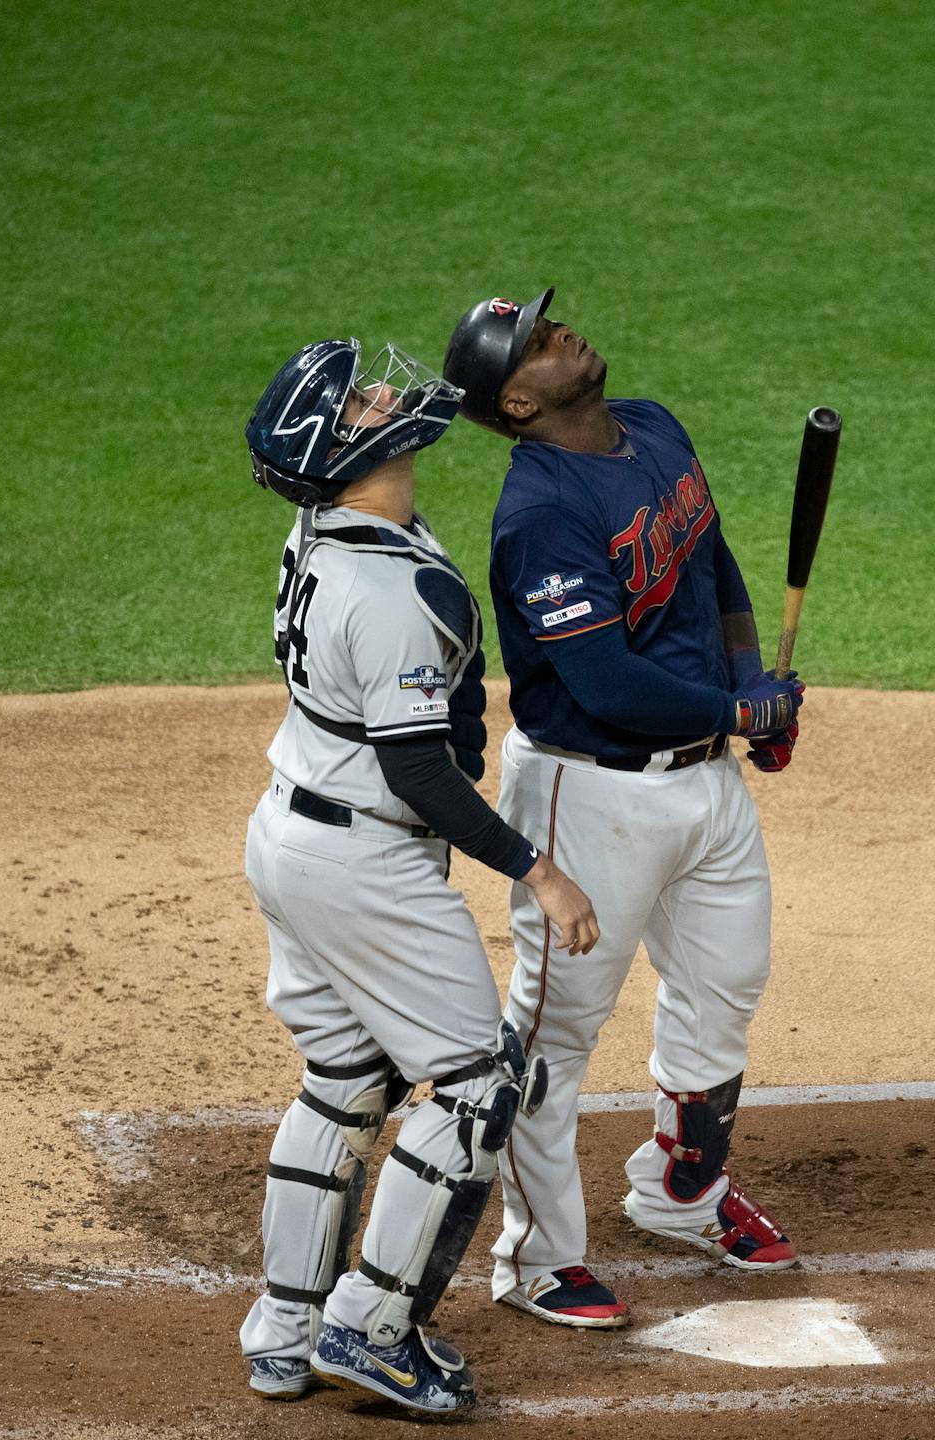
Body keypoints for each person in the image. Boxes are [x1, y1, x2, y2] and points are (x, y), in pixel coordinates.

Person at [236, 336, 600, 1412]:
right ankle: (372, 1326)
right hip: (364, 858)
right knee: (480, 1086)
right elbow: (417, 770)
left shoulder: (334, 524)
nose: (387, 393)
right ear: (344, 454)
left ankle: (285, 1327)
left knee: (347, 1079)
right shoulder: (385, 588)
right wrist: (537, 872)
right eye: (360, 403)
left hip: (294, 833)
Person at [441, 289, 807, 1330]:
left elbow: (712, 562)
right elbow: (601, 679)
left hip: (706, 783)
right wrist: (740, 706)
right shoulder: (540, 513)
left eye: (550, 323)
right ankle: (538, 1259)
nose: (563, 334)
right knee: (555, 1032)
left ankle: (681, 1192)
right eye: (536, 344)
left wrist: (751, 690)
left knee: (725, 982)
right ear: (515, 403)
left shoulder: (652, 427)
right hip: (589, 794)